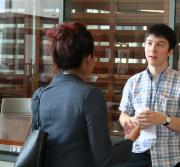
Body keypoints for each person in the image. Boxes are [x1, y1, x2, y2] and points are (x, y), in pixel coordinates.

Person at [31, 22, 140, 167]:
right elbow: (105, 159)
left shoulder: (40, 95)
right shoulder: (89, 95)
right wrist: (130, 140)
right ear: (88, 59)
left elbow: (37, 146)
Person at [119, 23, 180, 167]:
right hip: (136, 156)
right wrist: (130, 121)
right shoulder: (133, 82)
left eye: (160, 44)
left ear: (170, 51)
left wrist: (164, 119)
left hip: (170, 159)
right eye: (149, 43)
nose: (152, 49)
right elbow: (123, 115)